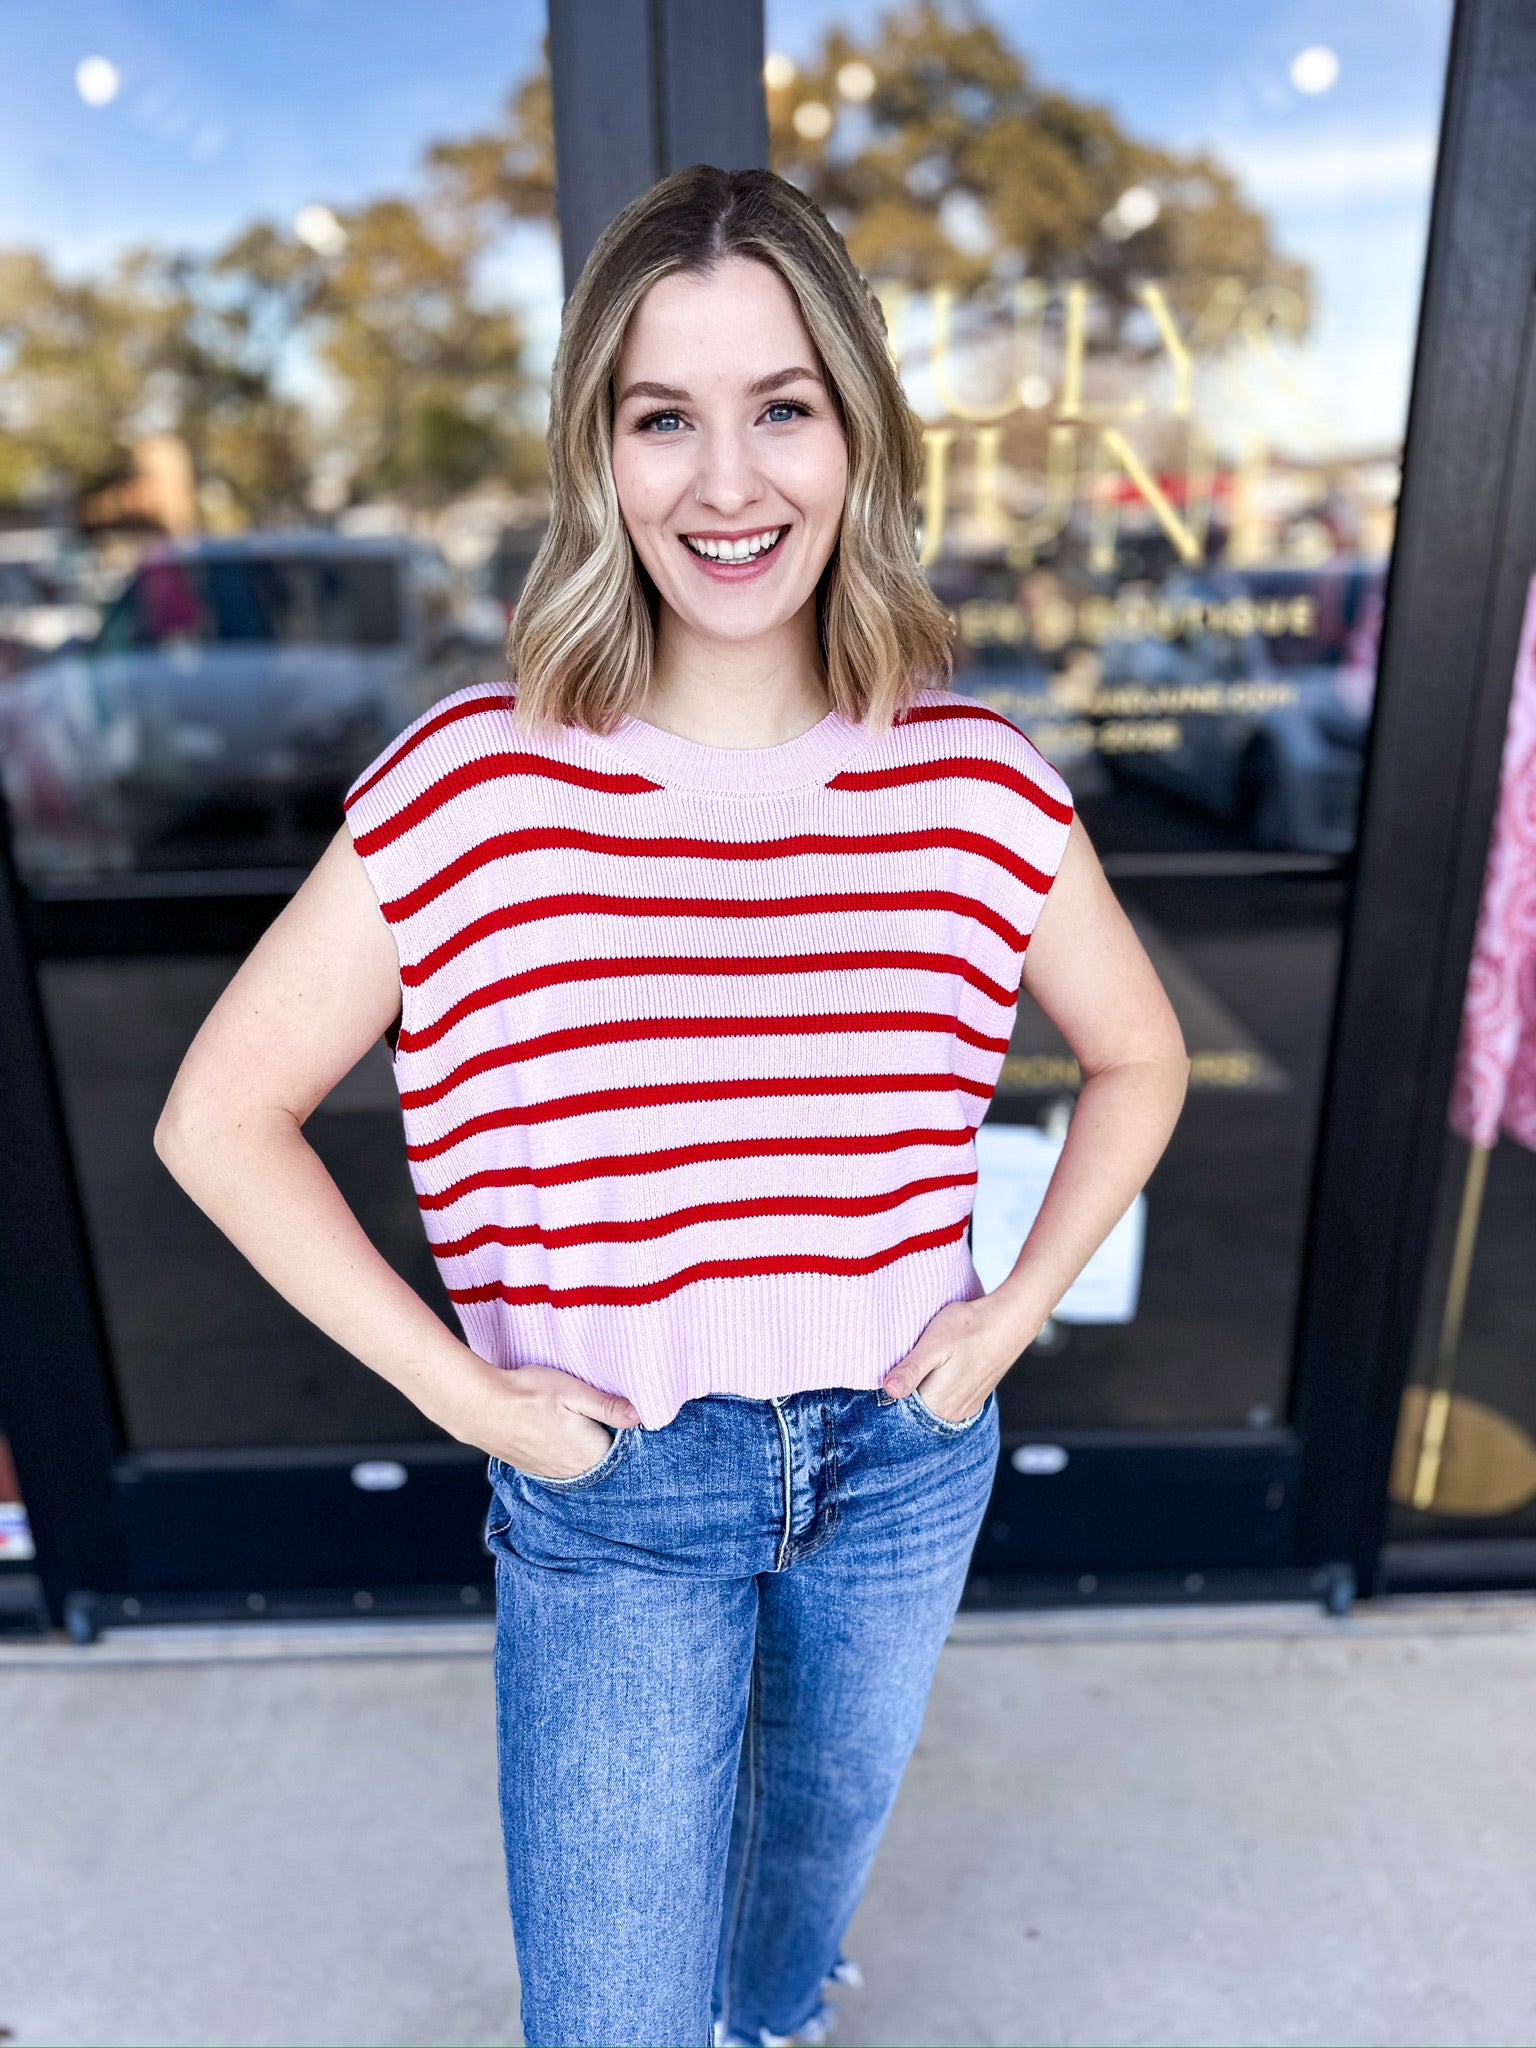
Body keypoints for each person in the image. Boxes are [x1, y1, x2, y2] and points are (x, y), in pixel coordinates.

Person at [155, 164, 1188, 2048]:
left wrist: (1007, 1317)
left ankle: (779, 2016)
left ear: (857, 432)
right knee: (618, 2012)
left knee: (792, 1911)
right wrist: (470, 1402)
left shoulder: (973, 782)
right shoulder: (471, 787)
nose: (729, 483)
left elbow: (1145, 1053)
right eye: (665, 418)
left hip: (902, 1454)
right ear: (598, 454)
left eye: (782, 406)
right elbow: (219, 1115)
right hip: (614, 1482)